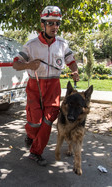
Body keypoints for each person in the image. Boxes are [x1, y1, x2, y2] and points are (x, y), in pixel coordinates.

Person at [13, 5, 79, 166]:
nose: (54, 27)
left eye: (57, 23)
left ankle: (36, 152)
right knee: (35, 122)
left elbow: (71, 61)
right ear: (42, 25)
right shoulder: (31, 45)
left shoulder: (62, 44)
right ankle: (30, 135)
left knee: (47, 121)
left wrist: (75, 71)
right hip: (35, 87)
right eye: (50, 23)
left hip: (53, 88)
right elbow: (15, 64)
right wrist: (28, 64)